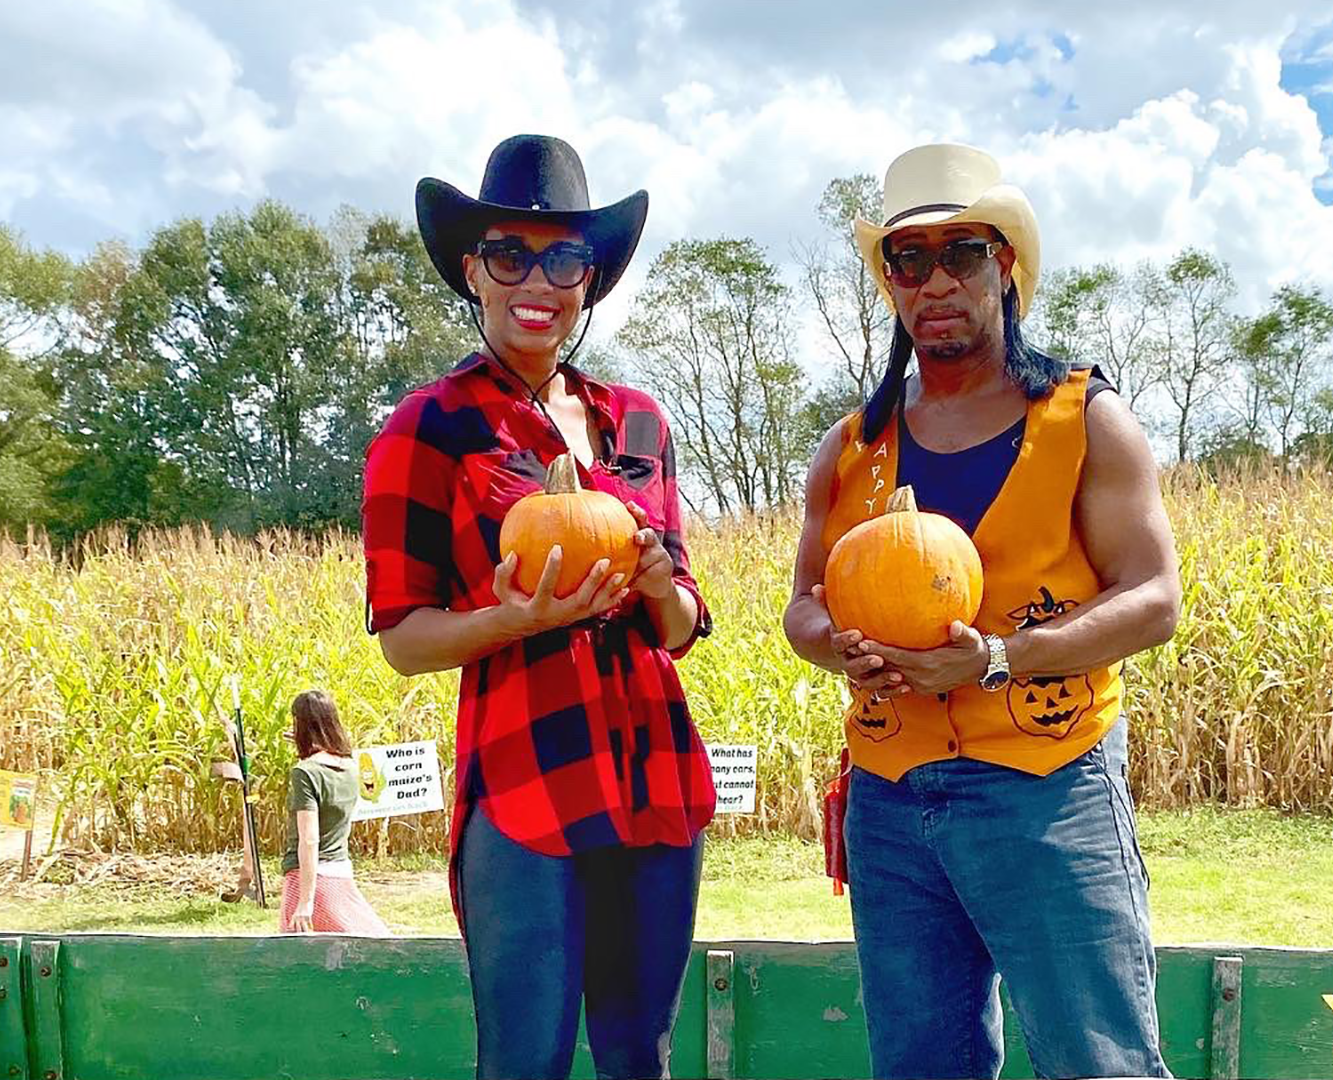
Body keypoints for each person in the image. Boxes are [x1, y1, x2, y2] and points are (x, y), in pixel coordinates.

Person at [783, 143, 1182, 1080]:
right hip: (892, 793)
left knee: (1098, 1062)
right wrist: (839, 648)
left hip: (1047, 781)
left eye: (960, 252)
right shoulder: (851, 447)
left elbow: (1155, 598)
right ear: (890, 283)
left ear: (1004, 264)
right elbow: (801, 607)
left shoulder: (1084, 419)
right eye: (908, 260)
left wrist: (999, 658)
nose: (935, 281)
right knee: (922, 1065)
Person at [362, 134, 714, 1080]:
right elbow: (402, 637)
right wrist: (509, 620)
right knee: (525, 1060)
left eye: (563, 257)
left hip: (653, 776)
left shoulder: (640, 418)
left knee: (641, 1052)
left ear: (589, 279)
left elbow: (684, 622)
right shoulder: (427, 428)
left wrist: (654, 587)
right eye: (510, 254)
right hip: (526, 781)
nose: (537, 280)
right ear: (472, 270)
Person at [281, 690, 389, 936]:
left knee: (297, 964)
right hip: (341, 872)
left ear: (301, 725)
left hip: (307, 879)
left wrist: (305, 902)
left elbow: (309, 839)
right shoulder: (350, 767)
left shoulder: (304, 773)